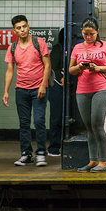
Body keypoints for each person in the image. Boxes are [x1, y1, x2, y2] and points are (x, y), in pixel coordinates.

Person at [68, 18, 106, 173]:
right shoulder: (77, 48)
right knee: (89, 127)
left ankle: (103, 162)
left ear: (97, 32)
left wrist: (99, 68)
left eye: (91, 34)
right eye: (85, 34)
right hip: (82, 90)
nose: (88, 37)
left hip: (101, 89)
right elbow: (71, 70)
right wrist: (79, 67)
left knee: (97, 124)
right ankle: (93, 160)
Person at [3, 15, 51, 167]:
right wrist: (6, 91)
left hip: (38, 89)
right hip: (21, 90)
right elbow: (10, 70)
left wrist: (43, 85)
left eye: (24, 26)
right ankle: (26, 155)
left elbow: (47, 65)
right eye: (19, 28)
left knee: (39, 121)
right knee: (24, 124)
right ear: (14, 31)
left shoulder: (39, 42)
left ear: (28, 26)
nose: (22, 30)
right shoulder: (12, 47)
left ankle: (41, 153)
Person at [47, 28, 65, 157]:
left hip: (68, 87)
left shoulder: (76, 49)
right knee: (56, 117)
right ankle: (54, 147)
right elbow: (52, 67)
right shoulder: (58, 48)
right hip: (57, 87)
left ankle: (60, 145)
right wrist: (60, 77)